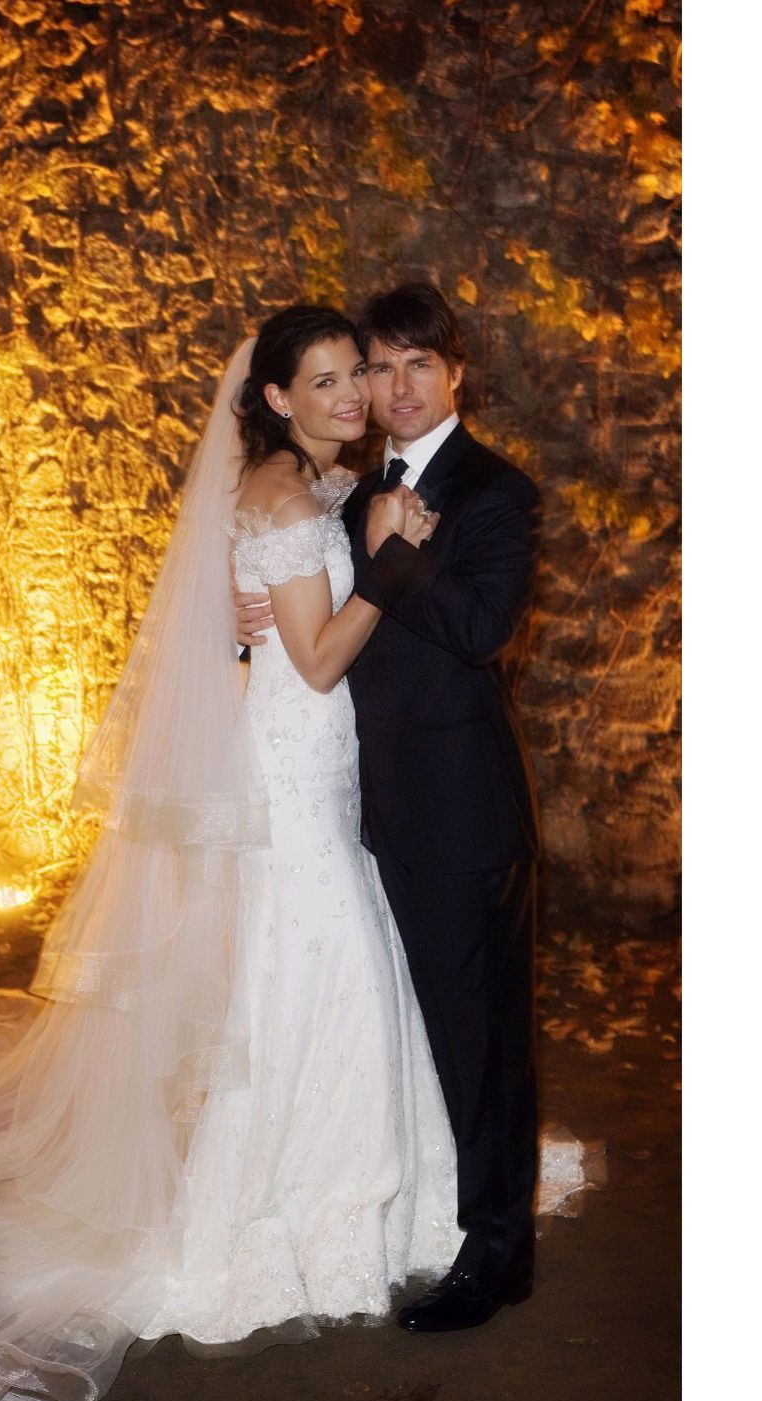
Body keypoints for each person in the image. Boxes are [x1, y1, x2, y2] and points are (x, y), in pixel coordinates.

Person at [0, 308, 585, 1401]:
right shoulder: (304, 492)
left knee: (382, 993)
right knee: (329, 977)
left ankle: (441, 1218)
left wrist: (305, 593)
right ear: (275, 398)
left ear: (452, 371)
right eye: (346, 374)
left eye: (381, 370)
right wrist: (344, 579)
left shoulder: (431, 490)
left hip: (390, 787)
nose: (368, 391)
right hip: (314, 767)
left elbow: (443, 622)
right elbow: (312, 649)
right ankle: (302, 1205)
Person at [235, 283, 548, 1333]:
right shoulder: (353, 481)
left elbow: (479, 628)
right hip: (363, 805)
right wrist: (254, 615)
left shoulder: (495, 492)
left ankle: (497, 1256)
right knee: (406, 1027)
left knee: (482, 1042)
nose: (393, 386)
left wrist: (390, 555)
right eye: (379, 366)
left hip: (459, 816)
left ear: (454, 373)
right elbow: (299, 601)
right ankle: (423, 1204)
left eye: (419, 364)